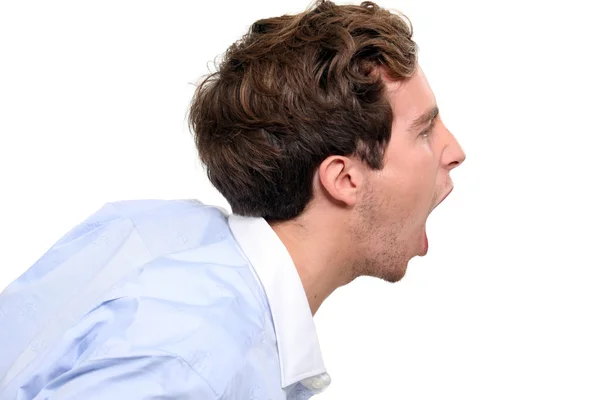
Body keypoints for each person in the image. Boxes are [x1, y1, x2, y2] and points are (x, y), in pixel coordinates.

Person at [0, 0, 465, 398]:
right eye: (424, 130)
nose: (455, 151)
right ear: (343, 178)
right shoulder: (198, 363)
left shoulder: (153, 229)